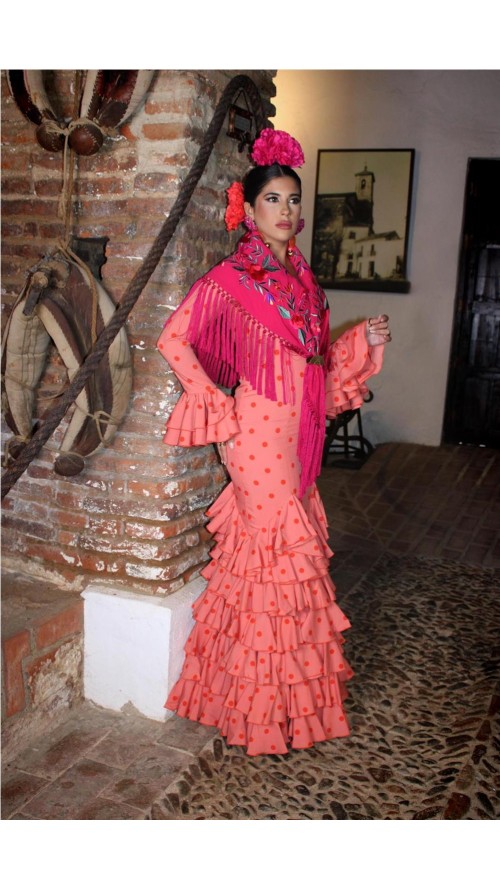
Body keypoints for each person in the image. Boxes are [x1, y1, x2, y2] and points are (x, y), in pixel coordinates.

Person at [157, 129, 391, 756]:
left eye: (293, 200)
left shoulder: (305, 281)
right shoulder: (233, 277)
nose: (286, 212)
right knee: (273, 557)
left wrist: (360, 339)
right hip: (258, 431)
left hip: (301, 430)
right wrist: (216, 404)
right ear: (250, 210)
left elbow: (313, 363)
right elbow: (174, 340)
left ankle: (273, 696)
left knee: (283, 561)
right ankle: (257, 708)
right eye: (273, 201)